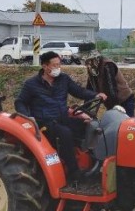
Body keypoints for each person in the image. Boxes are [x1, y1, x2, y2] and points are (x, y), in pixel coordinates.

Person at [15, 51, 107, 186]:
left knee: (91, 126)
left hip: (62, 117)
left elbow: (79, 91)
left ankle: (93, 162)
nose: (58, 68)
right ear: (45, 67)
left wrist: (95, 95)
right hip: (44, 122)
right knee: (65, 134)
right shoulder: (31, 84)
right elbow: (20, 102)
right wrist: (28, 118)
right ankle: (74, 173)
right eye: (55, 65)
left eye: (59, 64)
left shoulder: (63, 79)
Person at [84, 50, 135, 117]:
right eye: (87, 61)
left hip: (124, 100)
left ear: (96, 58)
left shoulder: (107, 65)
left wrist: (115, 105)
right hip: (111, 101)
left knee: (126, 124)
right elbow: (90, 88)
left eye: (90, 60)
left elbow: (111, 86)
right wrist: (85, 108)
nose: (89, 63)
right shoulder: (92, 68)